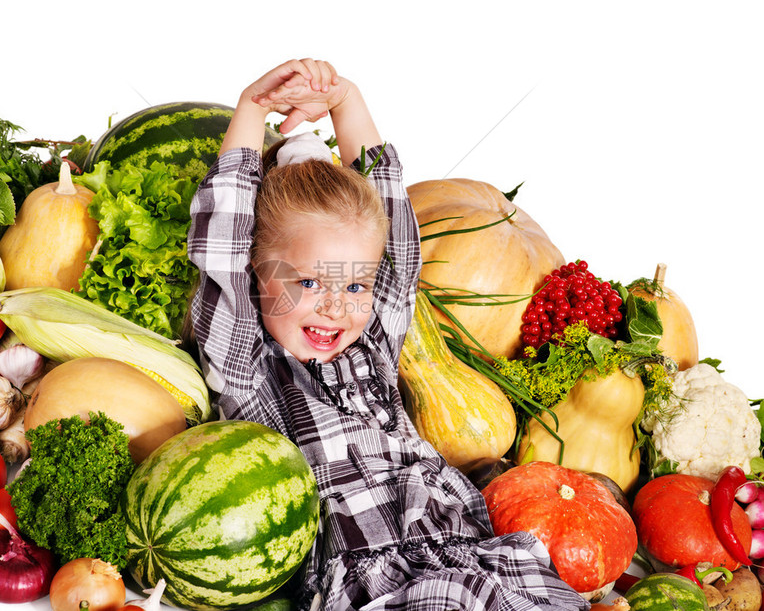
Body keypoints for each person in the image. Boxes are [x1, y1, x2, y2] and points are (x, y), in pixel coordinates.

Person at [188, 58, 589, 611]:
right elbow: (220, 244)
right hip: (372, 577)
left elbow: (396, 229)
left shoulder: (373, 345)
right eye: (308, 281)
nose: (336, 306)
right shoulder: (249, 370)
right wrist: (253, 109)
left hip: (465, 548)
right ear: (257, 272)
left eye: (356, 285)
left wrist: (345, 99)